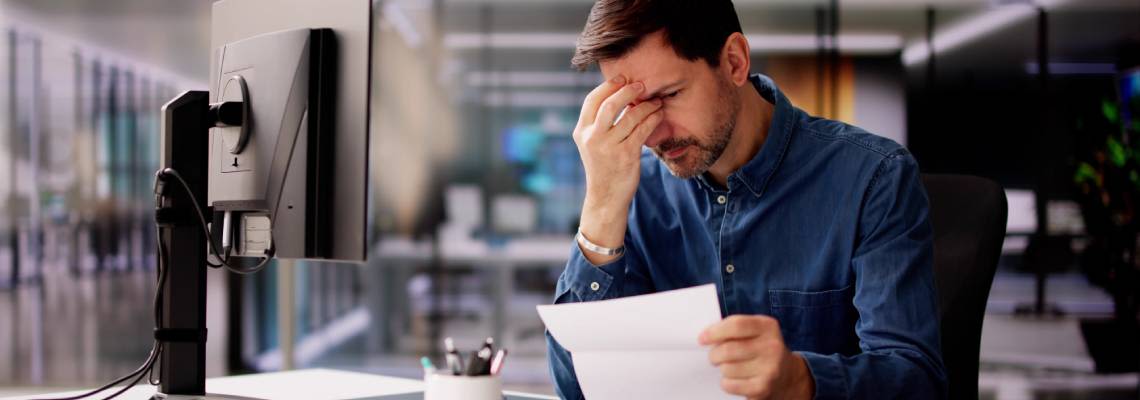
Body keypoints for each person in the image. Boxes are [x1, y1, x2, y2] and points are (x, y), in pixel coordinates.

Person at [545, 0, 947, 399]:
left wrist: (801, 380)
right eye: (634, 109)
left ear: (735, 62)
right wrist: (601, 205)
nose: (654, 134)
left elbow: (916, 380)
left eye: (668, 95)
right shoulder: (631, 188)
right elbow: (574, 388)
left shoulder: (872, 177)